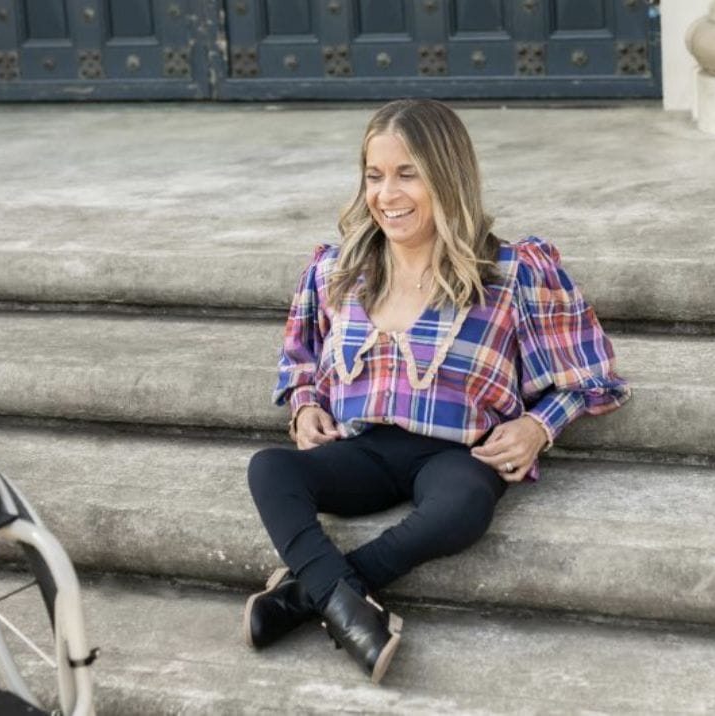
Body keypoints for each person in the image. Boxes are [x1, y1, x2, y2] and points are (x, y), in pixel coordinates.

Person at [243, 99, 631, 684]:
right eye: (374, 176)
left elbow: (595, 373)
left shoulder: (512, 272)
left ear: (447, 175)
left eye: (407, 174)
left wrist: (537, 425)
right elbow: (299, 358)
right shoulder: (337, 271)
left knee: (464, 506)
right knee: (270, 471)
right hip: (364, 451)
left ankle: (311, 595)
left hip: (456, 456)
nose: (387, 195)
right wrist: (303, 404)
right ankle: (343, 603)